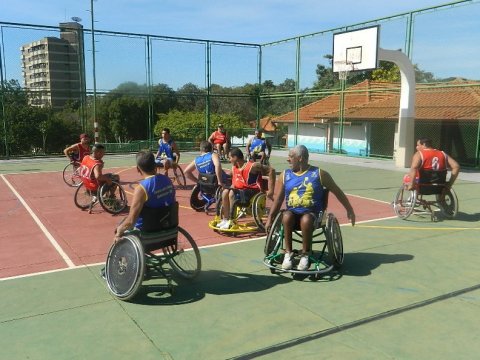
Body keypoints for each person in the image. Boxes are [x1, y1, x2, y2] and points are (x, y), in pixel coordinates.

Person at [266, 145, 355, 271]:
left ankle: (305, 255)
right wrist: (270, 218)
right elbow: (279, 199)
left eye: (291, 157)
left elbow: (337, 191)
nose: (288, 160)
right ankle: (288, 254)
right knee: (286, 215)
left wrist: (349, 210)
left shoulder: (319, 174)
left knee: (306, 219)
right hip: (293, 215)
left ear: (300, 158)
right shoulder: (285, 175)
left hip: (314, 217)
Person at [114, 151, 175, 240]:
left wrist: (118, 232)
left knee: (120, 228)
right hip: (167, 226)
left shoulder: (142, 188)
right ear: (155, 165)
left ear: (138, 169)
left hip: (146, 232)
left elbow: (131, 221)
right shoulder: (167, 180)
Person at [217, 147, 275, 230]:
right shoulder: (235, 167)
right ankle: (226, 219)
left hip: (252, 192)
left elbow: (271, 171)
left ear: (235, 158)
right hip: (240, 192)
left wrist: (271, 191)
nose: (229, 160)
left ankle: (232, 220)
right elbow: (233, 180)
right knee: (225, 192)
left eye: (230, 157)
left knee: (231, 193)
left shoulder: (253, 166)